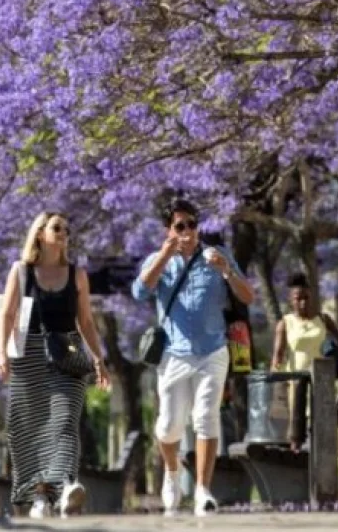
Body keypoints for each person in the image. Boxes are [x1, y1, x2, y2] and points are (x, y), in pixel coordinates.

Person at [132, 199, 255, 517]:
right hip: (173, 355)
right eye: (179, 226)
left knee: (205, 417)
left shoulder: (217, 256)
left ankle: (202, 490)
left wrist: (226, 271)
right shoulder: (159, 261)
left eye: (192, 224)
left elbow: (248, 296)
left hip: (213, 351)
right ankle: (172, 473)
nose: (187, 231)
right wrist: (164, 255)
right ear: (168, 230)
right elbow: (140, 292)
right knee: (170, 426)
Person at [0, 211, 111, 519]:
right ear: (40, 233)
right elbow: (7, 315)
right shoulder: (21, 271)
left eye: (67, 230)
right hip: (29, 354)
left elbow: (85, 321)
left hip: (68, 353)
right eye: (57, 228)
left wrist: (98, 358)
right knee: (30, 430)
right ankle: (41, 497)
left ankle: (67, 485)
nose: (63, 233)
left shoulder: (77, 274)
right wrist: (2, 354)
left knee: (64, 421)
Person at [271, 272, 338, 449]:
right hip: (296, 383)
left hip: (320, 379)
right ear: (291, 300)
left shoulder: (323, 319)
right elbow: (277, 357)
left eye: (306, 298)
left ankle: (320, 467)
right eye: (298, 299)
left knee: (320, 428)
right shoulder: (285, 323)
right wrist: (276, 387)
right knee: (296, 432)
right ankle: (297, 463)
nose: (303, 303)